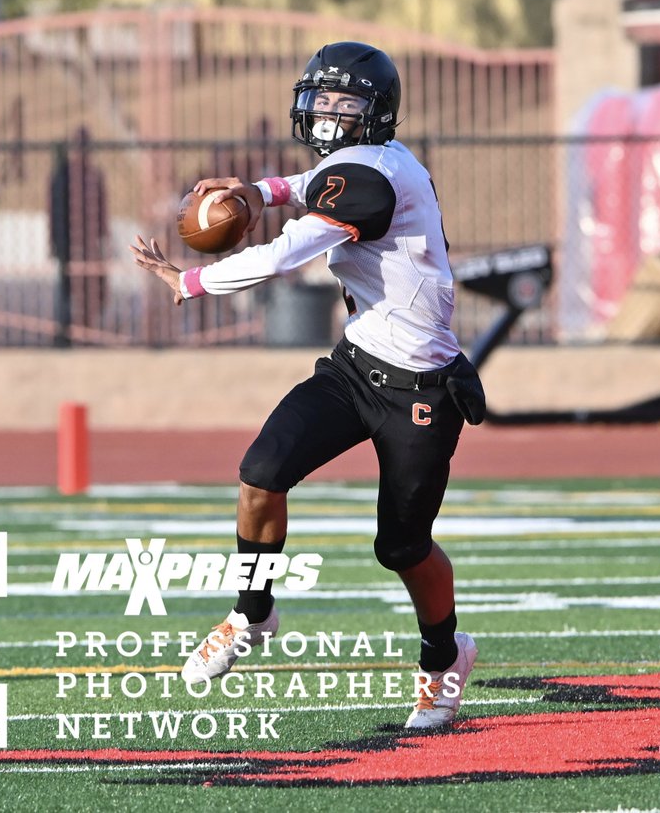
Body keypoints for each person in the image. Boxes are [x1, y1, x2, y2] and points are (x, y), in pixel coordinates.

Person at [128, 41, 486, 730]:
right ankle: (252, 614)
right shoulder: (357, 162)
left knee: (402, 547)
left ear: (376, 112)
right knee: (261, 473)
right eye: (320, 99)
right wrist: (257, 191)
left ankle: (446, 657)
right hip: (355, 368)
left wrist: (189, 279)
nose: (327, 113)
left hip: (421, 388)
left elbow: (285, 252)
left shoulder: (379, 177)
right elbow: (310, 182)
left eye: (344, 102)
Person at [49, 127, 109, 343]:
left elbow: (101, 212)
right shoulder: (63, 176)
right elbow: (55, 211)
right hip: (68, 242)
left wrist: (103, 240)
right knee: (67, 289)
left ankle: (86, 332)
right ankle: (64, 333)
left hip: (88, 242)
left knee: (90, 290)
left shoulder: (93, 176)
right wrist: (54, 241)